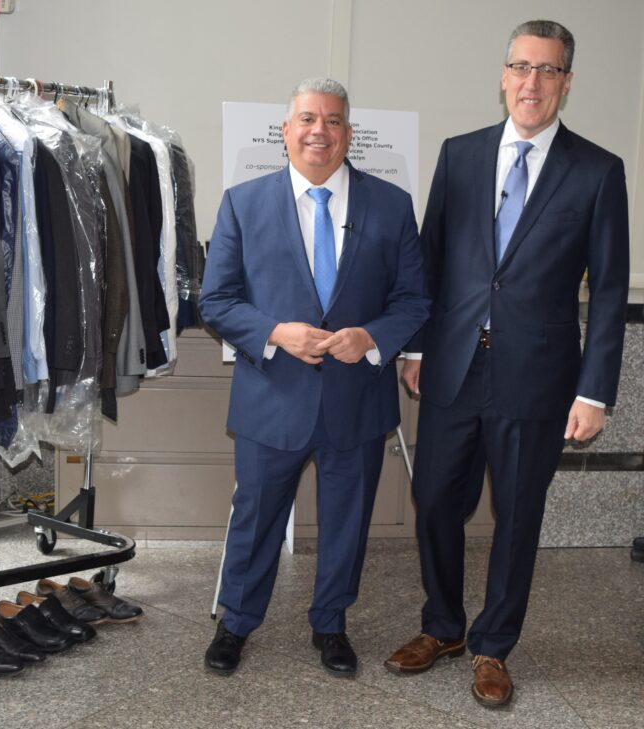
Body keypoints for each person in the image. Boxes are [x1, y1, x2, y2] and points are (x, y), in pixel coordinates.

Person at [384, 20, 629, 708]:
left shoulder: (598, 171)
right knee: (433, 497)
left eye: (548, 71)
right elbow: (431, 259)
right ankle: (444, 626)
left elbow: (608, 290)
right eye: (521, 67)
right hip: (455, 366)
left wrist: (596, 391)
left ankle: (493, 644)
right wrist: (417, 347)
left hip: (539, 377)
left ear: (567, 82)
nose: (532, 82)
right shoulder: (461, 155)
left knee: (518, 512)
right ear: (503, 76)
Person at [199, 78, 429, 676]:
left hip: (357, 399)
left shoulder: (392, 205)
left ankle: (331, 624)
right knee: (255, 517)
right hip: (272, 398)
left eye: (331, 121)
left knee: (347, 522)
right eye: (307, 119)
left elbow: (413, 300)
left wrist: (371, 338)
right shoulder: (242, 203)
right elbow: (216, 301)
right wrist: (276, 333)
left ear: (348, 133)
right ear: (286, 130)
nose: (318, 131)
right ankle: (237, 622)